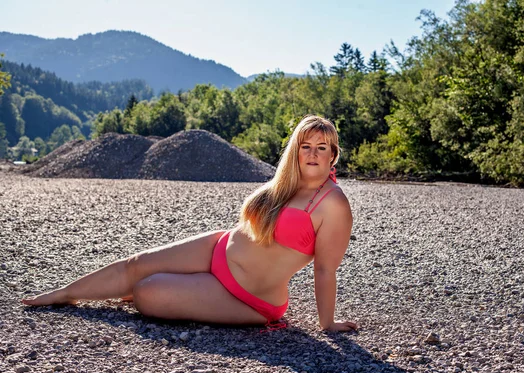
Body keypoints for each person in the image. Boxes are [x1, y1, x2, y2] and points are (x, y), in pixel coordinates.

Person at [22, 115, 357, 332]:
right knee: (136, 264)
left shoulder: (333, 204)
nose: (312, 154)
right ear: (296, 152)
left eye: (321, 147)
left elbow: (325, 270)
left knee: (146, 292)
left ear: (333, 155)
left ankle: (167, 287)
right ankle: (65, 293)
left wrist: (327, 324)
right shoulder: (285, 183)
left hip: (246, 296)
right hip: (219, 248)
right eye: (305, 146)